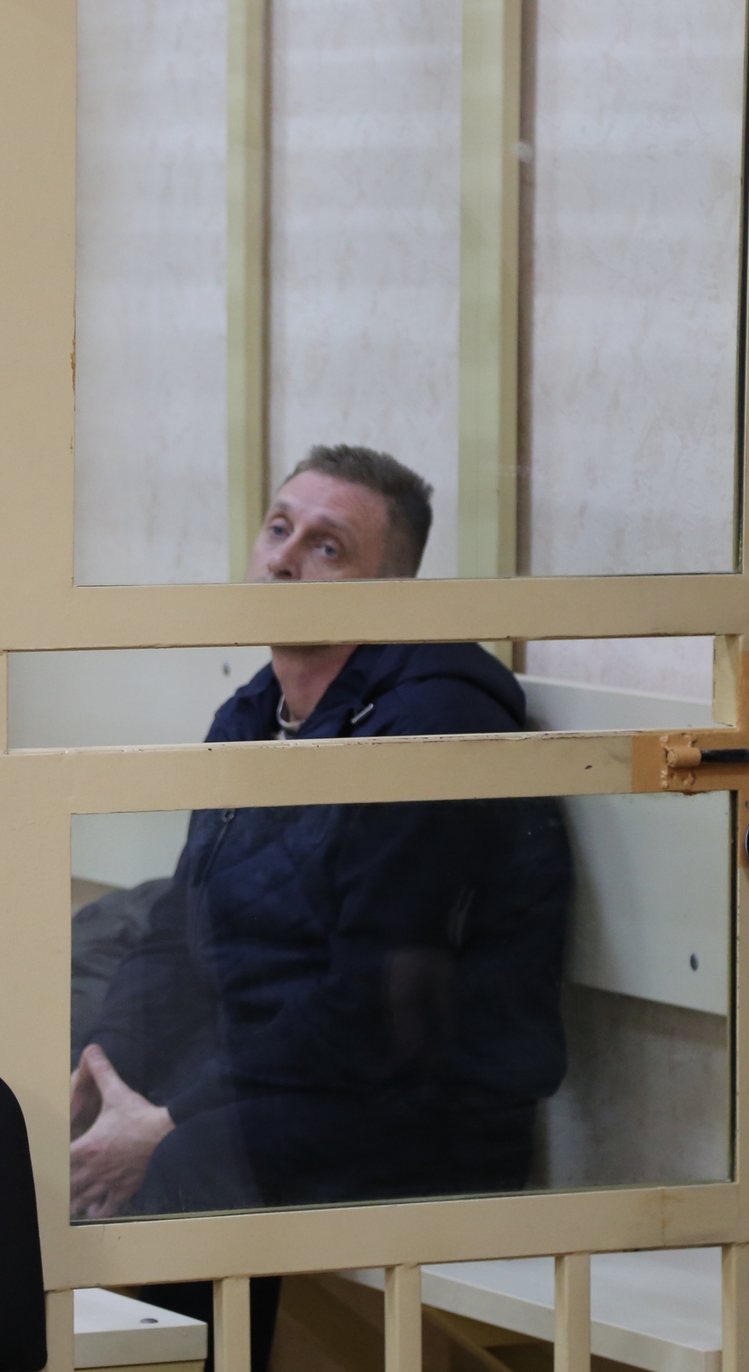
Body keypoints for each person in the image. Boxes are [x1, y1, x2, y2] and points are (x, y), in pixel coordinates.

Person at [68, 444, 575, 1220]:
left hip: (422, 1113)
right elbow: (179, 926)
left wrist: (167, 1119)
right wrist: (106, 1073)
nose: (283, 561)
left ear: (389, 594)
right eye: (278, 529)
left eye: (327, 548)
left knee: (182, 1163)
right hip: (276, 1070)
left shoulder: (434, 729)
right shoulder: (252, 711)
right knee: (29, 1098)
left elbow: (372, 1005)